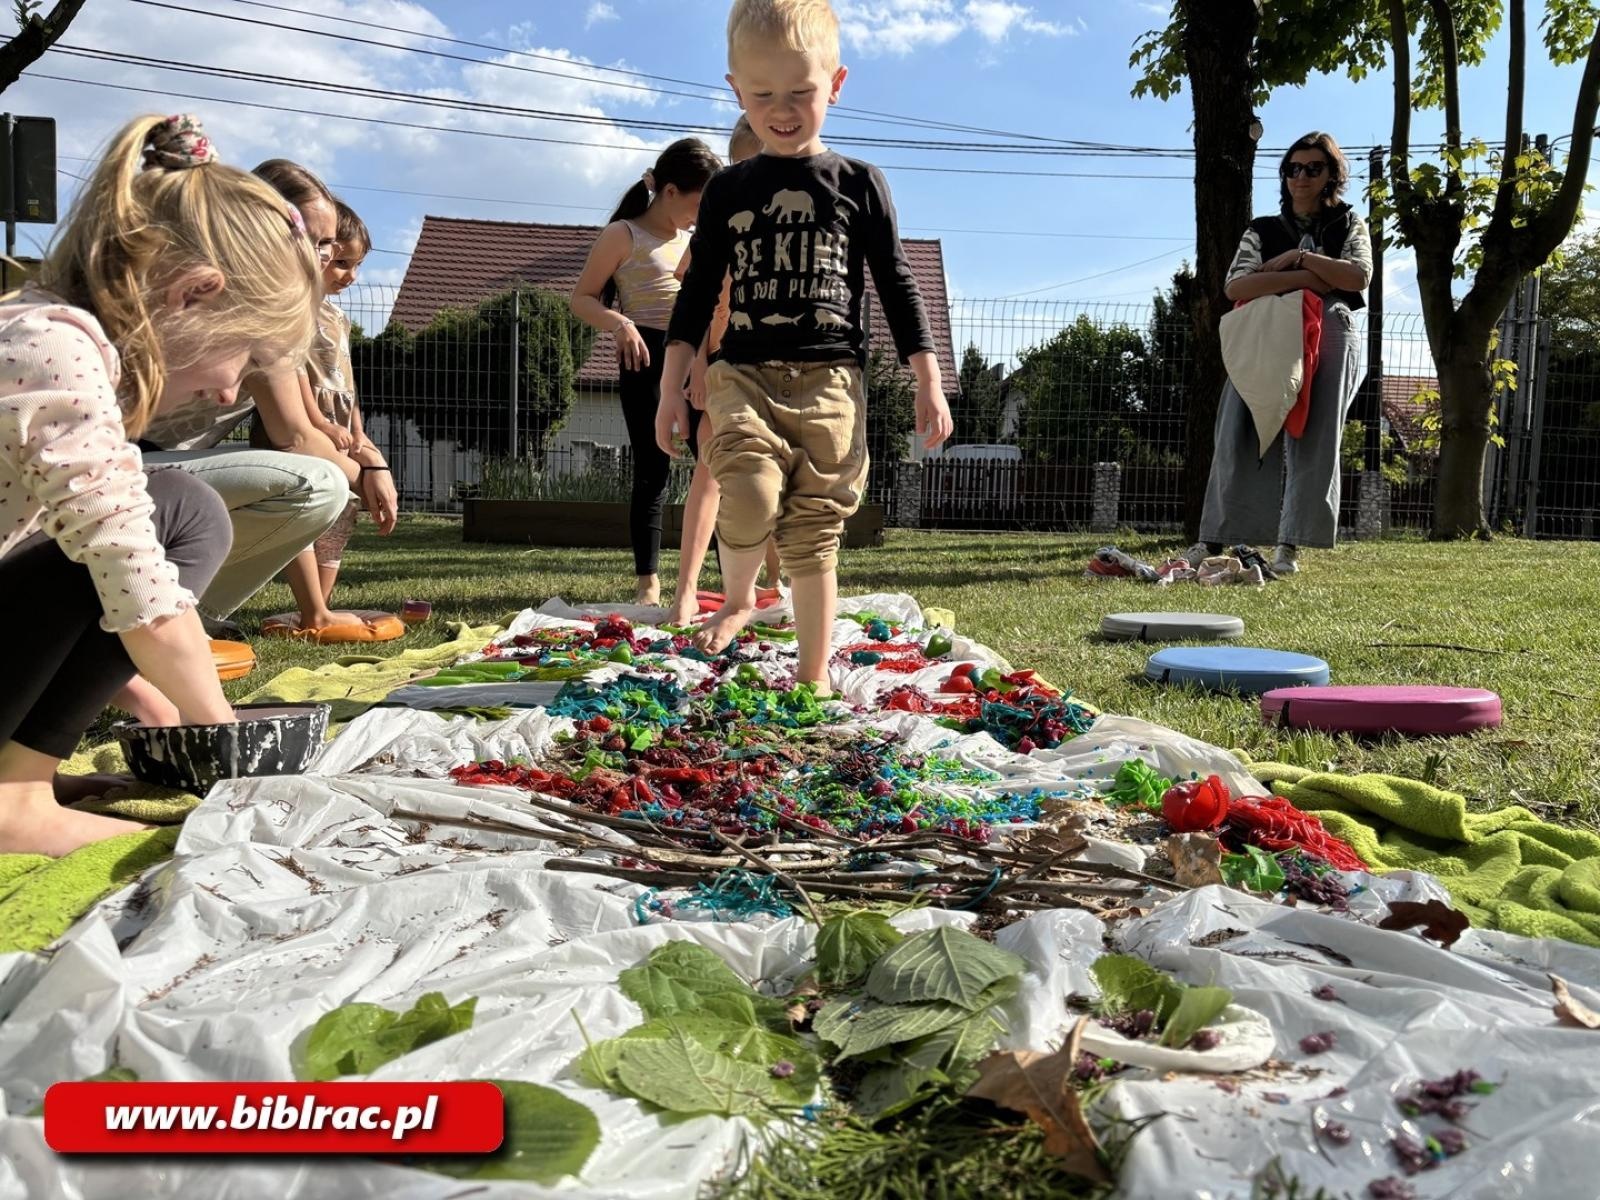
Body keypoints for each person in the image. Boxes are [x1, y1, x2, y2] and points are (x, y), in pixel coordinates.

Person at [0, 113, 320, 857]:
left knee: (168, 503)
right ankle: (13, 799)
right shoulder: (55, 351)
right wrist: (224, 750)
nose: (227, 390)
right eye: (244, 357)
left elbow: (53, 566)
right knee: (182, 512)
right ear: (194, 295)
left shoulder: (36, 330)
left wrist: (140, 692)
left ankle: (19, 777)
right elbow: (137, 590)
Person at [658, 0, 952, 693]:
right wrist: (673, 385)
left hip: (831, 383)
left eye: (801, 92)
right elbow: (698, 294)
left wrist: (927, 378)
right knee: (751, 495)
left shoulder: (859, 184)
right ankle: (736, 599)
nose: (782, 109)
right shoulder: (729, 187)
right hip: (744, 375)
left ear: (837, 84)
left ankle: (814, 676)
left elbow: (898, 284)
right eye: (762, 95)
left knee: (813, 531)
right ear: (736, 90)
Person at [138, 158, 397, 636]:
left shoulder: (249, 292)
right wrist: (369, 475)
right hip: (112, 470)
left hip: (143, 463)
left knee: (314, 473)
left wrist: (362, 453)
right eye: (309, 239)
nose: (321, 256)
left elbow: (310, 419)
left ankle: (173, 611)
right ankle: (175, 615)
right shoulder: (247, 298)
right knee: (317, 483)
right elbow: (296, 439)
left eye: (326, 243)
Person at [1190, 130, 1372, 576]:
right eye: (1293, 168)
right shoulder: (1262, 229)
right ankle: (1215, 537)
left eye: (1313, 168)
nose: (1301, 177)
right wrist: (1310, 275)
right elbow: (1237, 285)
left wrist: (1298, 260)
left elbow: (1358, 277)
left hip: (1330, 331)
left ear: (1332, 175)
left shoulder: (1350, 223)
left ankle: (1290, 545)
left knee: (1316, 434)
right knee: (1238, 427)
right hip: (1267, 333)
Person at [571, 138, 723, 607]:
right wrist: (621, 324)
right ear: (670, 191)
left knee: (715, 467)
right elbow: (581, 298)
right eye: (698, 203)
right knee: (652, 470)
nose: (701, 216)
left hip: (698, 356)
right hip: (645, 357)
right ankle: (649, 583)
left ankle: (721, 578)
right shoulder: (623, 234)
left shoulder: (696, 239)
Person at [665, 115, 784, 628]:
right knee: (711, 473)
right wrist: (694, 365)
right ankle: (685, 592)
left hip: (780, 367)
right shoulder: (719, 217)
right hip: (723, 364)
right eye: (741, 166)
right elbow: (690, 298)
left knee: (778, 478)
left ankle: (777, 586)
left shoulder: (794, 221)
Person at [264, 198, 373, 620]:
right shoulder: (297, 314)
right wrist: (320, 421)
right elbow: (299, 375)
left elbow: (346, 382)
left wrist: (358, 431)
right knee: (307, 512)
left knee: (343, 512)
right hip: (309, 421)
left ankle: (320, 607)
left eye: (355, 265)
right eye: (341, 262)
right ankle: (310, 607)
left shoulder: (338, 318)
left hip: (340, 422)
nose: (350, 275)